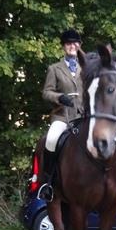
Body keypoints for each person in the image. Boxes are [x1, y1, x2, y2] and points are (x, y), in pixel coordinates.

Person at [37, 28, 84, 201]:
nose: (72, 46)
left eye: (75, 43)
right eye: (68, 43)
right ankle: (47, 184)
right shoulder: (54, 69)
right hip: (62, 116)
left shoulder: (86, 68)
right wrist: (59, 97)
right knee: (51, 139)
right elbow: (46, 92)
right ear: (64, 46)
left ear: (79, 45)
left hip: (83, 116)